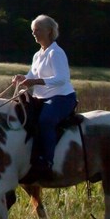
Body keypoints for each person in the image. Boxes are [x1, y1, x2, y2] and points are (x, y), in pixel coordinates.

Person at [12, 15, 76, 182]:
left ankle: (47, 162)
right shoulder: (38, 54)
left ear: (49, 31)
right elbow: (32, 75)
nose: (34, 33)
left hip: (62, 98)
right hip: (42, 97)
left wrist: (35, 81)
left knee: (46, 120)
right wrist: (23, 78)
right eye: (33, 30)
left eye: (38, 30)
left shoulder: (56, 52)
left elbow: (62, 78)